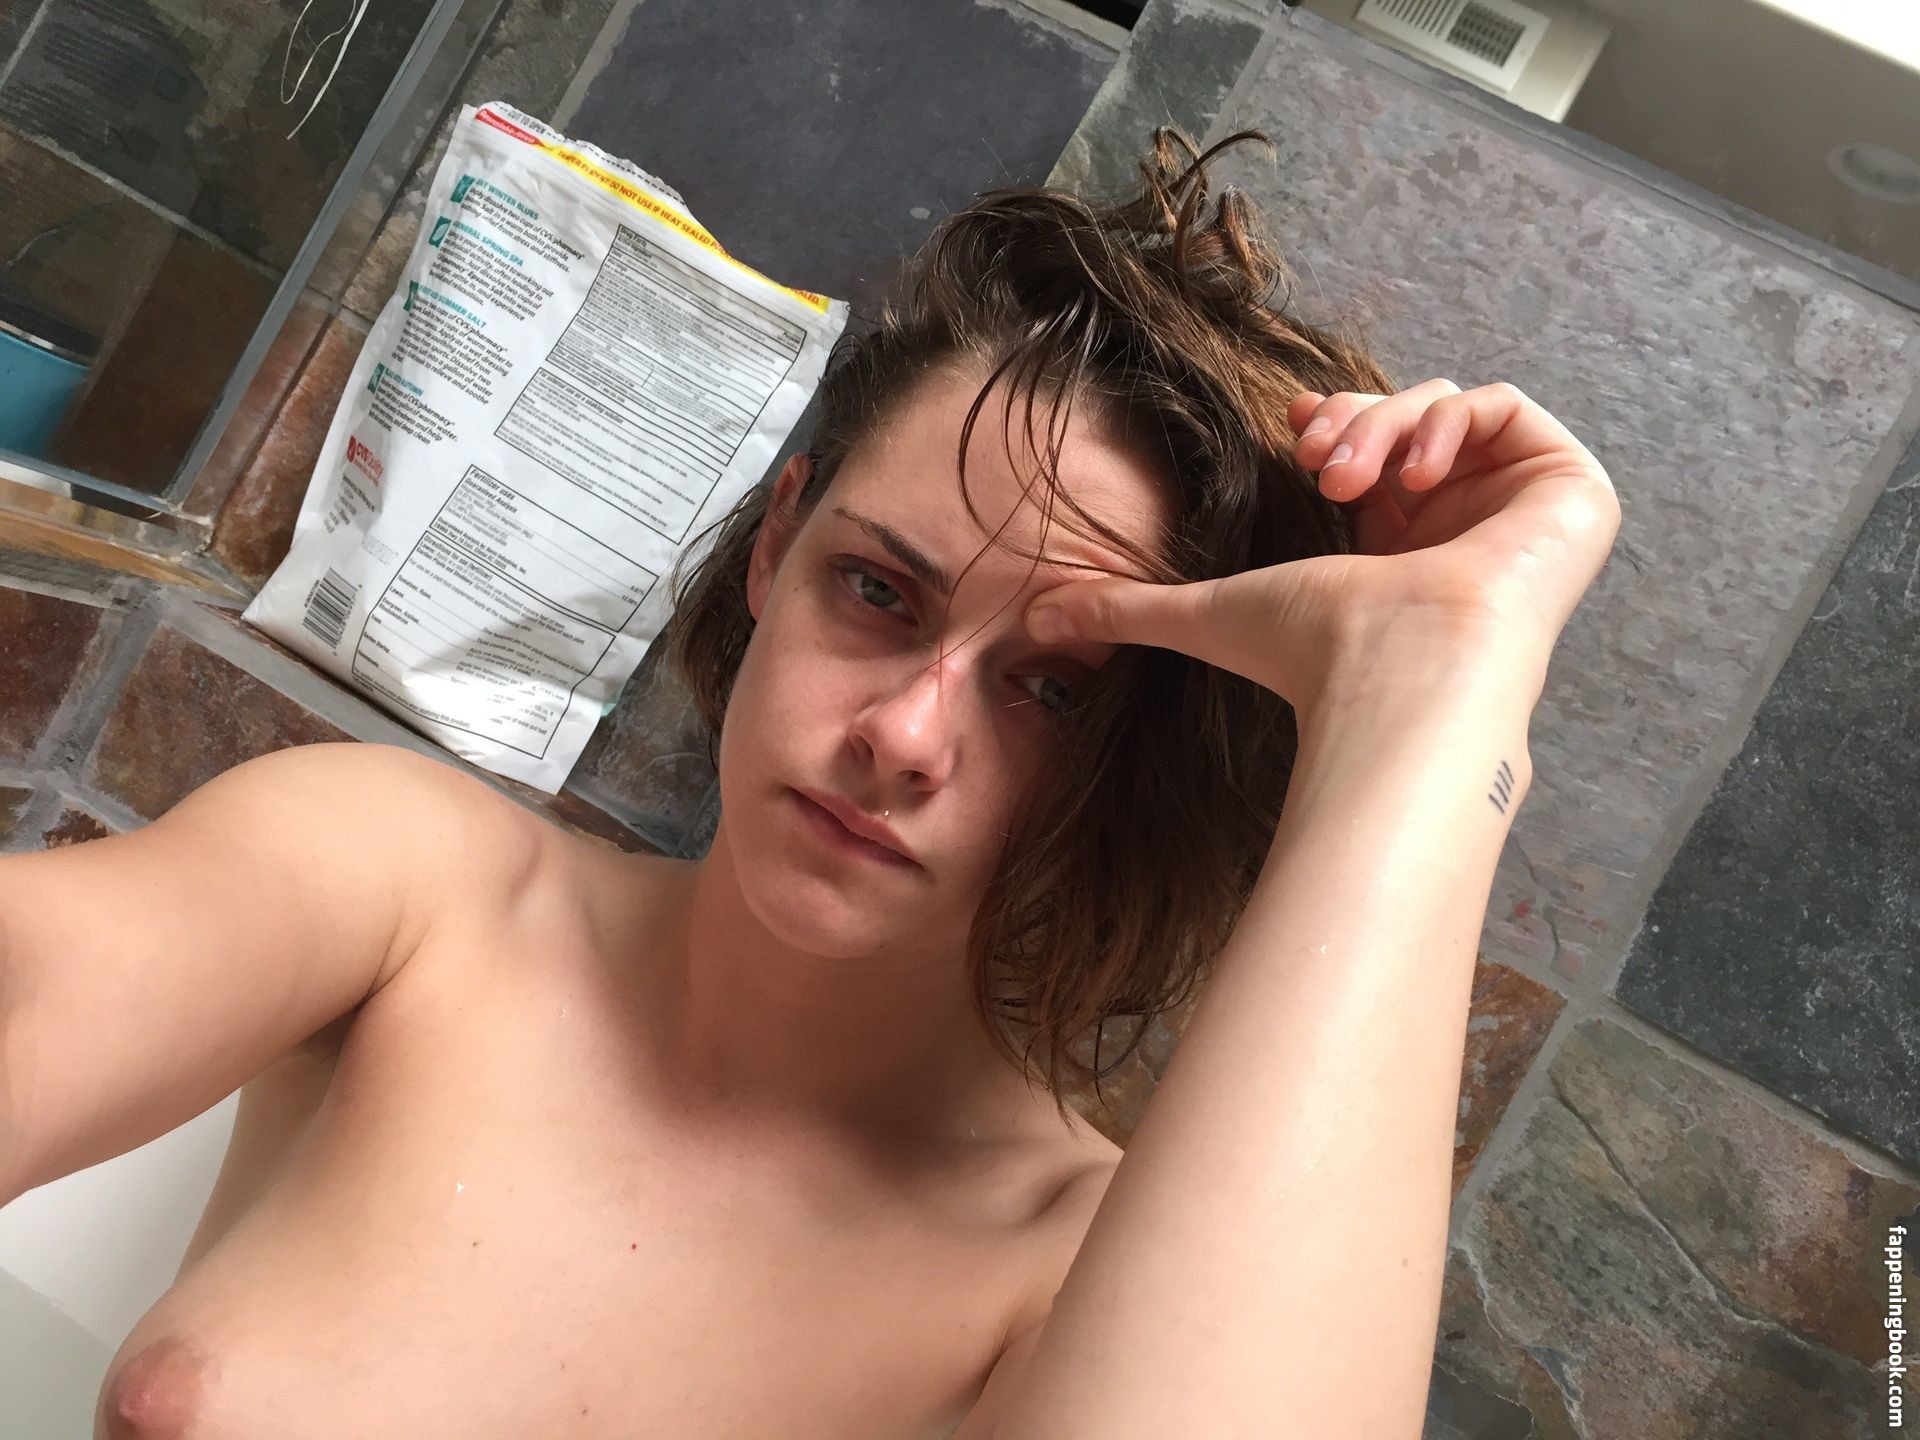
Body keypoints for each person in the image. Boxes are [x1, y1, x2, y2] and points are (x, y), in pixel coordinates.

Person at [0, 126, 1619, 1438]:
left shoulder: (1065, 1275)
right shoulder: (410, 890)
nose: (906, 734)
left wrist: (1432, 709)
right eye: (880, 591)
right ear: (777, 546)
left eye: (1054, 688)